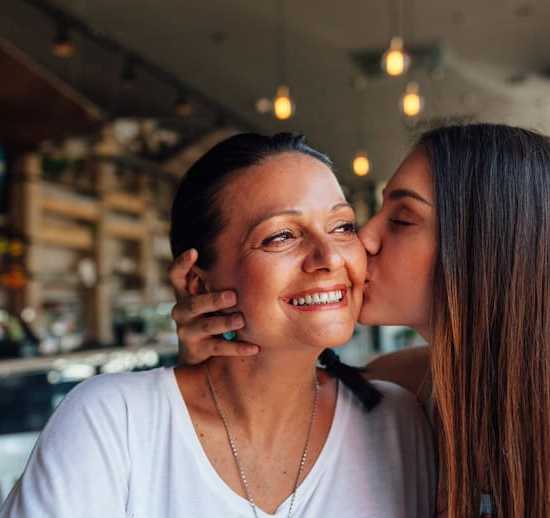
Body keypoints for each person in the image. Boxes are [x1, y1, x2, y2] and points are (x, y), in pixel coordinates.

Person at [0, 133, 435, 518]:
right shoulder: (117, 422)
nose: (329, 258)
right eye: (281, 236)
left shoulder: (397, 423)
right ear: (197, 282)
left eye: (342, 227)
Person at [170, 124, 550, 518]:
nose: (363, 239)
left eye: (402, 219)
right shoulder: (402, 388)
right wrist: (210, 365)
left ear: (488, 246)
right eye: (355, 223)